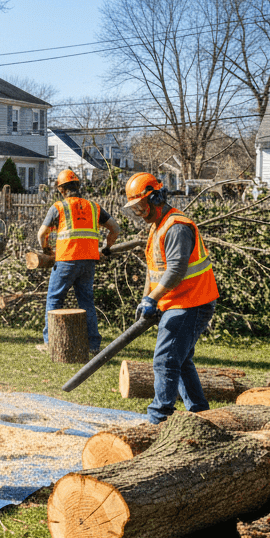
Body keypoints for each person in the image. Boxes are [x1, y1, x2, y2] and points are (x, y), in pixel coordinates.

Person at [123, 172, 219, 425]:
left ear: (155, 198)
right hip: (177, 301)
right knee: (181, 359)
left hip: (191, 301)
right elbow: (153, 270)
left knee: (166, 359)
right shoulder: (157, 227)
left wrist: (154, 299)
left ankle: (159, 418)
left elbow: (175, 271)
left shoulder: (176, 227)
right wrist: (147, 298)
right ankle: (201, 415)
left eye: (141, 206)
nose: (140, 213)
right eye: (135, 209)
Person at [37, 169, 120, 355]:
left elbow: (42, 234)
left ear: (61, 189)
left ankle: (50, 342)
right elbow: (115, 229)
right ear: (78, 186)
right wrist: (106, 248)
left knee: (54, 299)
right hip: (89, 261)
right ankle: (93, 345)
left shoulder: (59, 207)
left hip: (66, 259)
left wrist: (45, 250)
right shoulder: (94, 207)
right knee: (86, 302)